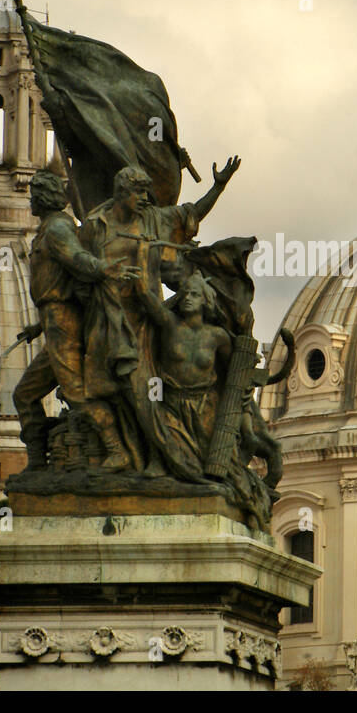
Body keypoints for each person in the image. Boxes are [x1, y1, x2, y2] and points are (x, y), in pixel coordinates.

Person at [77, 160, 239, 477]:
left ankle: (163, 459)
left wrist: (217, 187)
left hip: (145, 320)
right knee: (103, 389)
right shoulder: (96, 225)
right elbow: (78, 266)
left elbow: (190, 214)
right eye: (140, 193)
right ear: (122, 193)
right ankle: (125, 454)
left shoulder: (152, 219)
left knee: (145, 390)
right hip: (105, 317)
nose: (147, 199)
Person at [12, 171, 139, 470]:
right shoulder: (49, 229)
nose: (31, 199)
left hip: (62, 323)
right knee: (25, 394)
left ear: (44, 198)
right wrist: (39, 326)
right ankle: (37, 462)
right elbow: (62, 281)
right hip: (53, 321)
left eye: (34, 194)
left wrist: (104, 269)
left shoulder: (57, 229)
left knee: (76, 392)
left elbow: (78, 260)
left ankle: (116, 449)